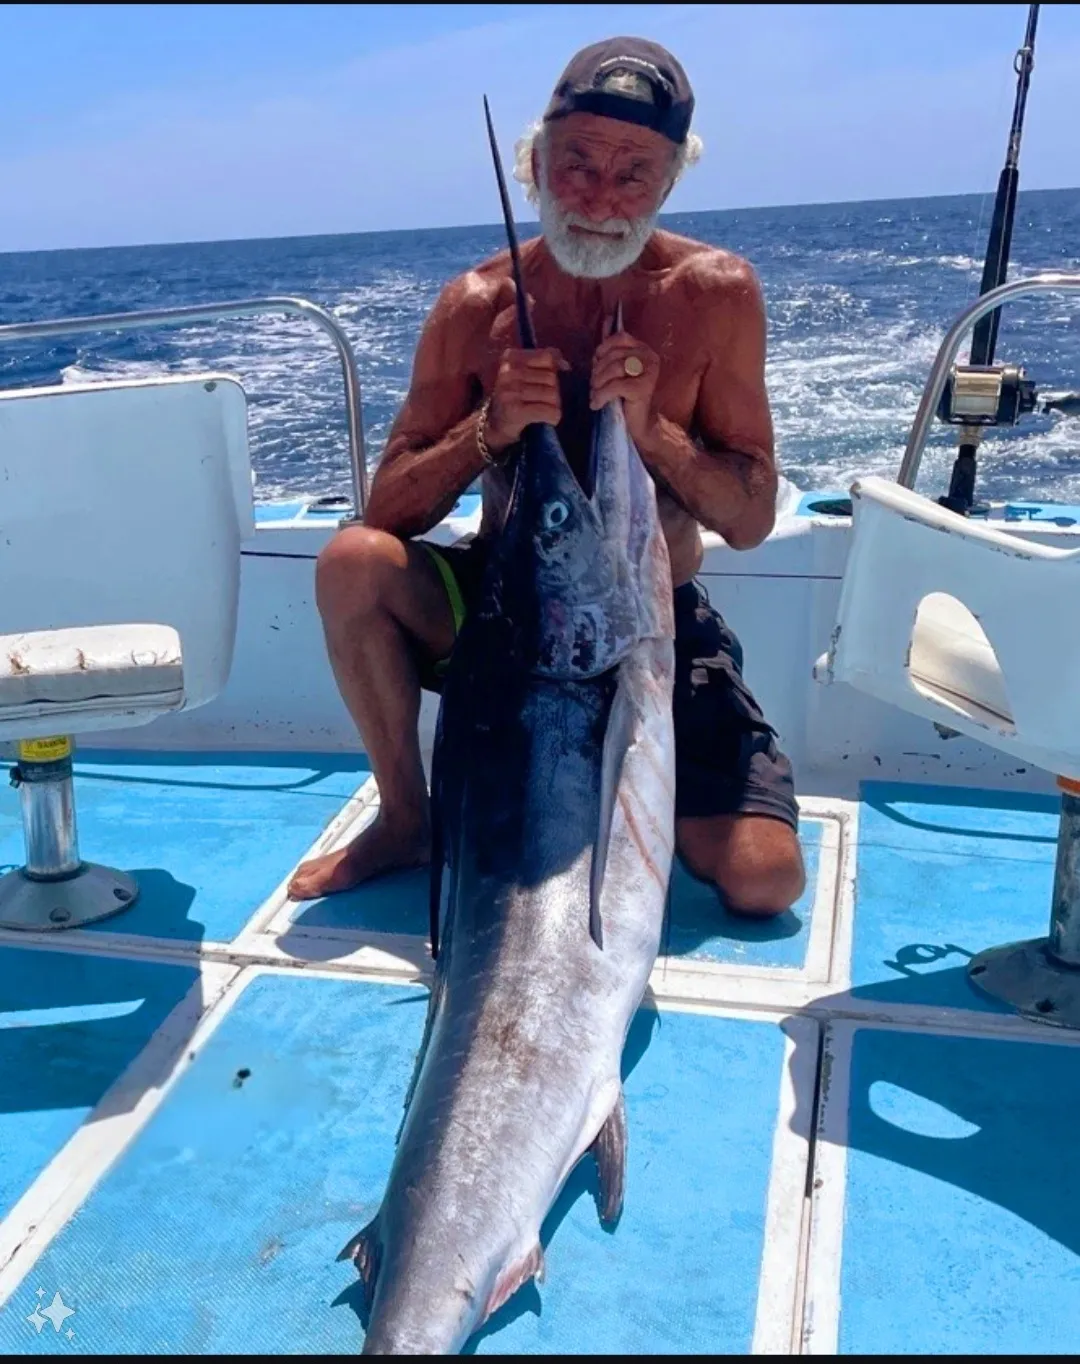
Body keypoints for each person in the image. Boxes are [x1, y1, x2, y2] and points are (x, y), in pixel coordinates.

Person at [288, 36, 805, 917]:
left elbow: (751, 516)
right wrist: (486, 432)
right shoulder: (474, 305)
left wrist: (658, 436)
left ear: (670, 182)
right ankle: (407, 817)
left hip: (655, 623)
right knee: (352, 563)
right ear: (532, 163)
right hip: (503, 611)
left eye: (633, 173)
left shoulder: (716, 293)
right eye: (576, 165)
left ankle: (650, 785)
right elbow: (388, 509)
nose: (601, 198)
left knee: (764, 879)